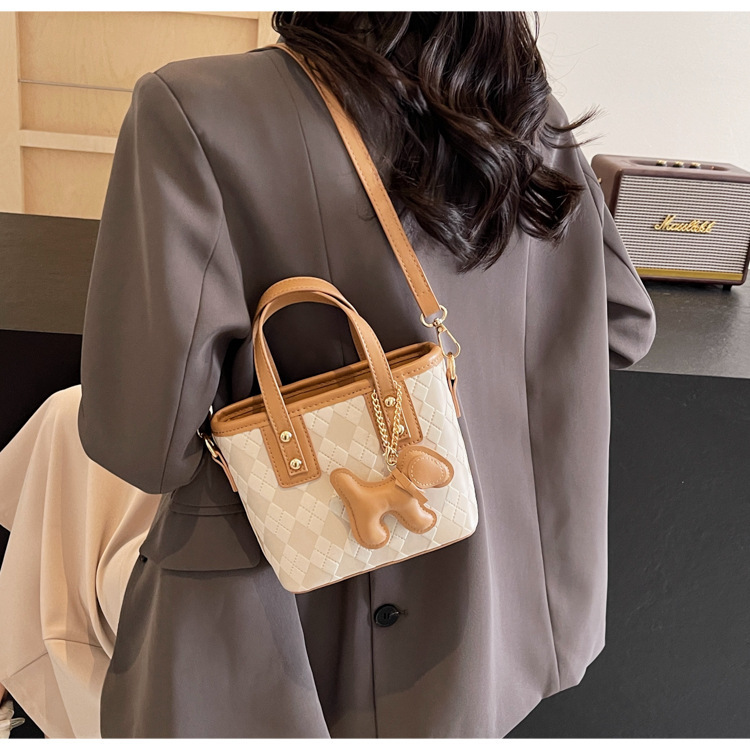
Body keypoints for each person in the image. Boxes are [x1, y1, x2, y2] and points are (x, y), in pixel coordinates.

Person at [0, 11, 656, 738]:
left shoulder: (193, 108)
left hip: (288, 629)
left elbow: (143, 445)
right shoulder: (521, 108)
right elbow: (625, 327)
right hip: (496, 616)